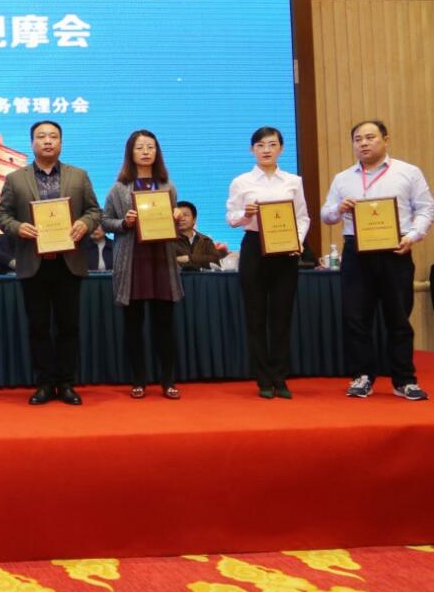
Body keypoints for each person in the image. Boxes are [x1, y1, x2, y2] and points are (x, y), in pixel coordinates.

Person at [321, 120, 432, 401]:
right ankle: (362, 377)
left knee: (399, 318)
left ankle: (404, 380)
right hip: (356, 252)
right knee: (356, 318)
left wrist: (413, 236)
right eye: (358, 139)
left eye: (370, 137)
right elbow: (326, 215)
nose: (364, 143)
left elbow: (425, 209)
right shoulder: (343, 178)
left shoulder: (408, 172)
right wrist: (338, 208)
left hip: (396, 251)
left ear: (385, 139)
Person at [0, 120, 101, 405]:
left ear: (61, 143)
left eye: (53, 136)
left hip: (69, 261)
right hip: (33, 262)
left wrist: (85, 223)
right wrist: (18, 227)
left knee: (69, 326)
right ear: (32, 143)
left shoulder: (79, 176)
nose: (47, 141)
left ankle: (66, 383)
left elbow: (94, 211)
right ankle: (43, 383)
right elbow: (2, 216)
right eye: (41, 136)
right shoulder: (15, 179)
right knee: (38, 327)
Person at [226, 126, 309, 399]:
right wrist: (245, 213)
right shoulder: (241, 182)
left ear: (281, 149)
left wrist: (297, 242)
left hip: (285, 250)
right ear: (252, 150)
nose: (266, 150)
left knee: (281, 316)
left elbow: (302, 217)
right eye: (260, 145)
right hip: (254, 247)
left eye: (272, 144)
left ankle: (280, 378)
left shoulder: (293, 181)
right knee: (256, 316)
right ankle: (263, 379)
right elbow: (231, 218)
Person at [101, 130, 185, 400]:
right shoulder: (119, 188)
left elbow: (174, 223)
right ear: (130, 153)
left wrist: (177, 216)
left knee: (164, 325)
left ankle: (168, 381)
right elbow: (105, 221)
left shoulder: (168, 186)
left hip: (161, 260)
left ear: (157, 152)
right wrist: (124, 222)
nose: (146, 152)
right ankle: (138, 380)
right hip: (132, 262)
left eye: (150, 147)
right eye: (140, 148)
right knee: (133, 325)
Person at [174, 201, 223, 271]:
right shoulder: (169, 242)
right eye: (178, 216)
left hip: (202, 277)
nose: (182, 219)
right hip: (179, 277)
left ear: (194, 219)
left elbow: (216, 260)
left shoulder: (205, 240)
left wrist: (189, 258)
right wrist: (201, 260)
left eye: (185, 215)